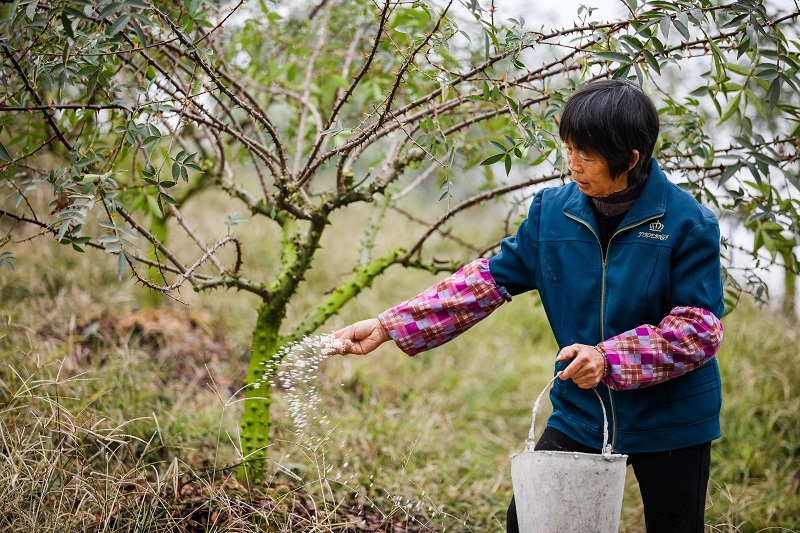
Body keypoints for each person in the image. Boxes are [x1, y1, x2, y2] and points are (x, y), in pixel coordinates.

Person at [331, 79, 725, 533]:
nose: (572, 165)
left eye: (587, 155)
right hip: (583, 408)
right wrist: (390, 325)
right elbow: (487, 281)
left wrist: (608, 357)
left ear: (631, 159)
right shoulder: (552, 212)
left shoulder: (688, 223)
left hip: (673, 420)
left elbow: (699, 328)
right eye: (569, 148)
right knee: (532, 523)